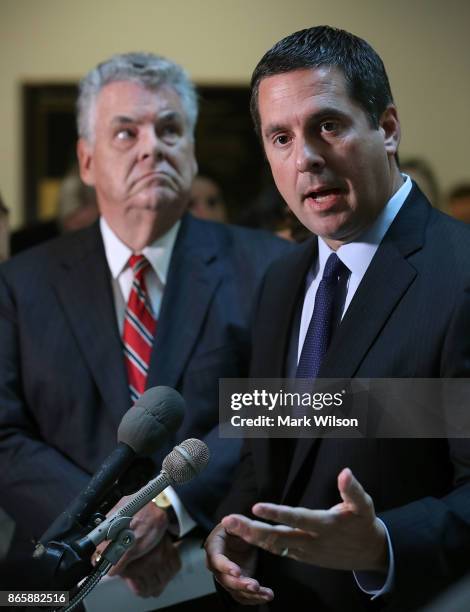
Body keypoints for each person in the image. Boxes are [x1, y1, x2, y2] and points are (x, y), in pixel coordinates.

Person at [0, 52, 289, 601]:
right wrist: (105, 525)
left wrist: (166, 507)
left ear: (193, 151)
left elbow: (278, 404)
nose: (152, 146)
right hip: (54, 576)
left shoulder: (269, 267)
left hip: (218, 567)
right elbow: (4, 434)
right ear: (87, 161)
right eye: (126, 132)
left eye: (170, 129)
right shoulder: (18, 284)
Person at [205, 26, 470, 611]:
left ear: (389, 129)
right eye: (280, 137)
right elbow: (265, 444)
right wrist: (237, 529)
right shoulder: (279, 280)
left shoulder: (461, 274)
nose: (306, 158)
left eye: (328, 125)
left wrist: (384, 544)